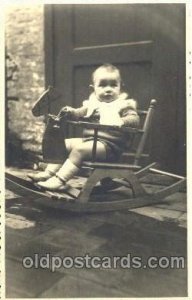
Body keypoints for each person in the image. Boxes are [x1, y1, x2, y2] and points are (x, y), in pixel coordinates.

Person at [28, 64, 139, 191]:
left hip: (110, 147)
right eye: (102, 85)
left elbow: (134, 120)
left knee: (80, 150)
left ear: (121, 87)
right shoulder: (92, 104)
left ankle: (60, 180)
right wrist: (70, 112)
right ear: (93, 88)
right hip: (91, 142)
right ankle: (49, 173)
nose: (108, 89)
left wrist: (121, 121)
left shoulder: (123, 105)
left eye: (113, 85)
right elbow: (79, 113)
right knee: (62, 144)